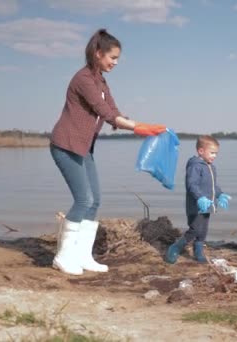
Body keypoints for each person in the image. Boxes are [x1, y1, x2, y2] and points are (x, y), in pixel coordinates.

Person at [50, 29, 166, 275]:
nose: (115, 63)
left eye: (117, 59)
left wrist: (139, 125)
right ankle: (63, 256)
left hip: (83, 148)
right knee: (84, 200)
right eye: (112, 57)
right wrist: (139, 128)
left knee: (96, 201)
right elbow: (105, 111)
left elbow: (114, 112)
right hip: (66, 145)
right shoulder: (83, 79)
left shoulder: (101, 81)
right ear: (97, 53)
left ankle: (82, 256)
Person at [165, 135, 232, 264]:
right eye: (212, 153)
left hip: (207, 206)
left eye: (216, 153)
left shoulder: (211, 167)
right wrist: (200, 197)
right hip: (196, 206)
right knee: (195, 229)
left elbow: (212, 186)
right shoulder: (195, 165)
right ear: (201, 151)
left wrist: (220, 194)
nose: (214, 156)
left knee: (203, 231)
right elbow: (192, 184)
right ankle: (176, 247)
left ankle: (198, 251)